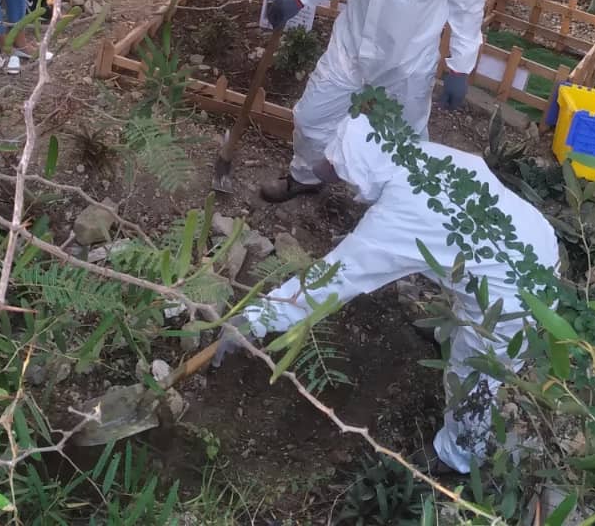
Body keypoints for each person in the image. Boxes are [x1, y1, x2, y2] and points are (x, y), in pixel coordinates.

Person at [220, 113, 559, 474]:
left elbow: (333, 280)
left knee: (474, 375)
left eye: (347, 179)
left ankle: (459, 455)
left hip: (515, 301)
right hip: (534, 245)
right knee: (465, 274)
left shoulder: (401, 214)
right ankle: (454, 331)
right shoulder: (426, 156)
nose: (348, 189)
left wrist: (257, 318)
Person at [260, 0, 486, 202]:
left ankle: (391, 204)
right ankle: (305, 178)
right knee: (310, 119)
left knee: (402, 139)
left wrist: (460, 67)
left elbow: (468, 8)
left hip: (406, 62)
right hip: (350, 47)